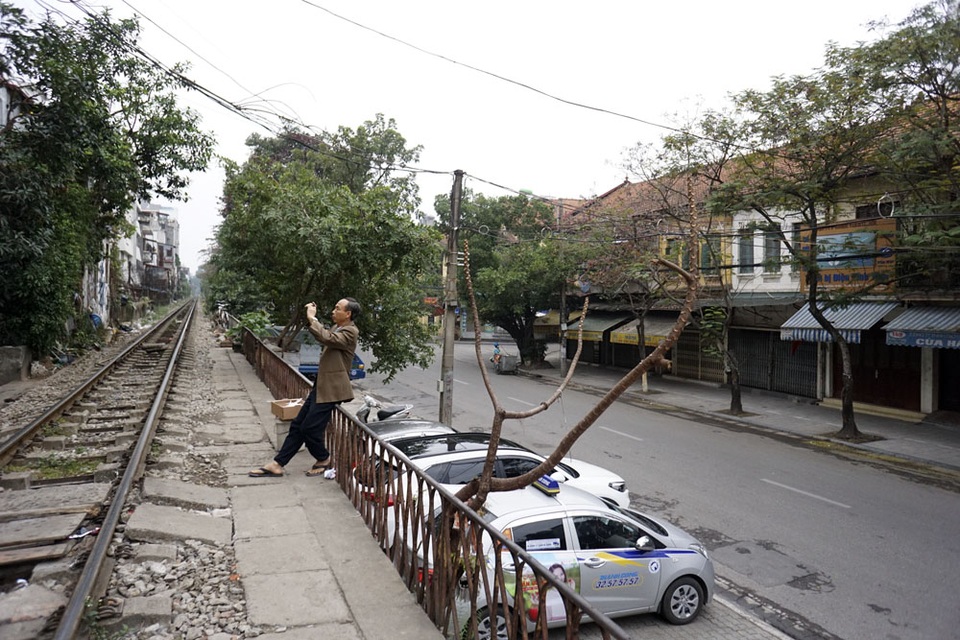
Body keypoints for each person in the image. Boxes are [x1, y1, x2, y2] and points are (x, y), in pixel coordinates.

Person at [249, 297, 360, 478]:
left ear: (347, 314)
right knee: (298, 425)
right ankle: (278, 464)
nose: (333, 311)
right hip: (322, 386)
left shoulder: (350, 332)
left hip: (332, 390)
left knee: (309, 428)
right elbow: (326, 336)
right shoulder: (337, 327)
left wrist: (312, 318)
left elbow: (327, 338)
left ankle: (323, 458)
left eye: (337, 308)